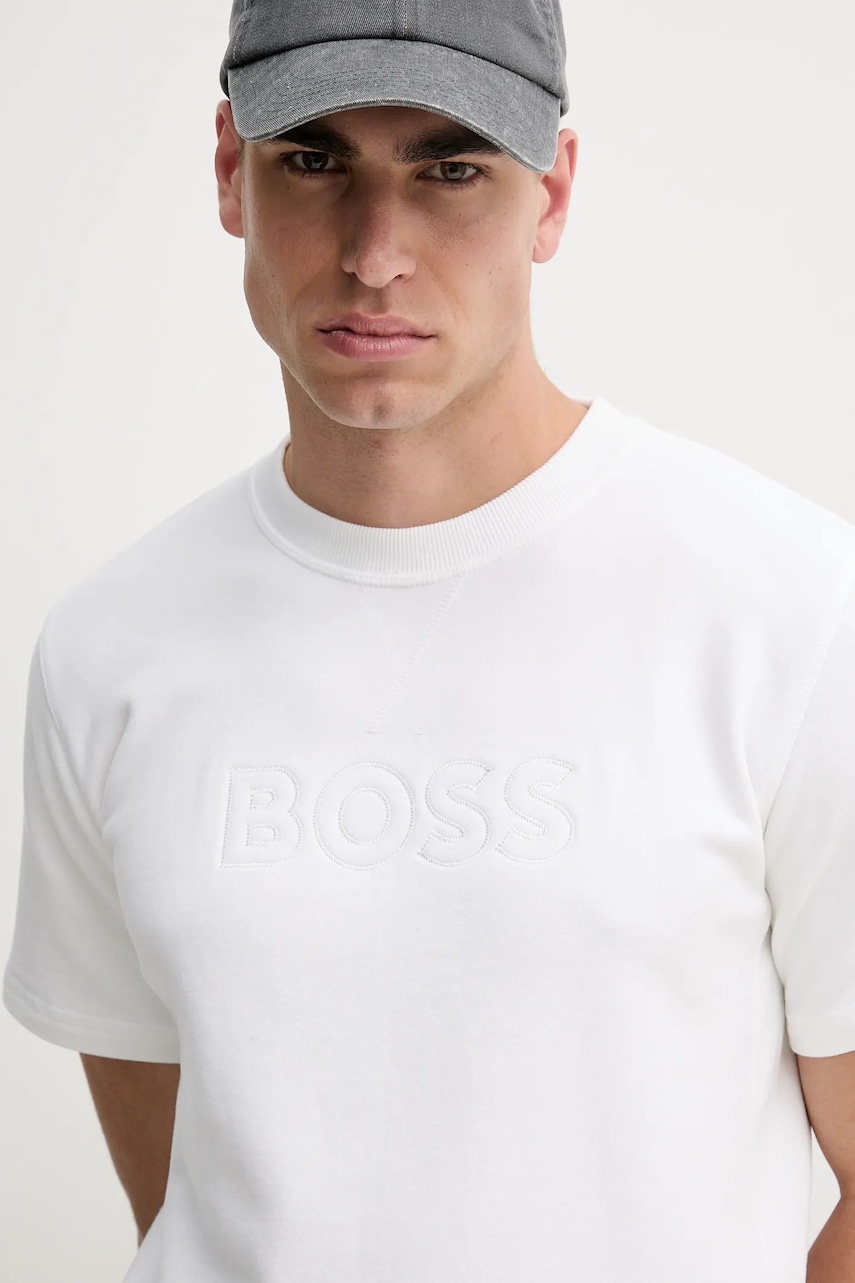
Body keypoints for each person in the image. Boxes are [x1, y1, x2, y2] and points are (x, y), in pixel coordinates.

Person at [4, 1, 855, 1280]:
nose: (376, 254)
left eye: (450, 170)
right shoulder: (110, 644)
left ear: (550, 194)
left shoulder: (788, 606)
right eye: (315, 160)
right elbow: (187, 1188)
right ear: (231, 170)